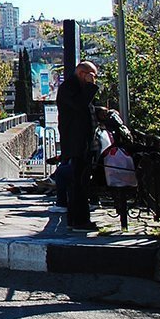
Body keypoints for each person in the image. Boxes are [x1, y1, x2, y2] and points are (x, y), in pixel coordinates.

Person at [57, 60, 102, 231]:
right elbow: (79, 105)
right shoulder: (69, 88)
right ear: (83, 73)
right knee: (78, 183)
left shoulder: (78, 88)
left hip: (82, 142)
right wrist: (91, 87)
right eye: (92, 75)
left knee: (81, 182)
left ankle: (78, 219)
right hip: (76, 143)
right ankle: (79, 221)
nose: (93, 79)